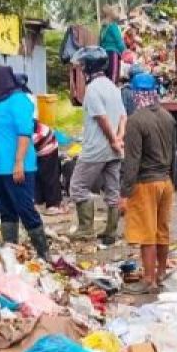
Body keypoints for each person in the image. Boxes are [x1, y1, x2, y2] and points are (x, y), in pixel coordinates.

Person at [0, 65, 49, 260]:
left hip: (17, 168)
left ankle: (44, 255)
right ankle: (12, 255)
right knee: (6, 212)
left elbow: (24, 133)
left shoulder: (19, 100)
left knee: (25, 210)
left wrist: (18, 162)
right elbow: (2, 131)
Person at [120, 72, 176, 293]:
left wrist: (125, 193)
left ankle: (149, 280)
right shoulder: (167, 116)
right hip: (165, 182)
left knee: (147, 233)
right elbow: (172, 152)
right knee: (162, 230)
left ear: (136, 94)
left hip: (145, 183)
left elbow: (131, 161)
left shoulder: (135, 121)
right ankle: (161, 274)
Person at [70, 47, 127, 244]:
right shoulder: (112, 87)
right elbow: (122, 116)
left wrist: (112, 139)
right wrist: (119, 139)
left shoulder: (93, 89)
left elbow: (102, 118)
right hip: (114, 150)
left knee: (77, 187)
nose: (82, 69)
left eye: (84, 65)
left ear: (90, 67)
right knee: (112, 189)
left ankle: (86, 229)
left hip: (96, 148)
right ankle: (111, 231)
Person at [99, 5, 125, 83]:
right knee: (113, 75)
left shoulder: (103, 28)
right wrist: (124, 51)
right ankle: (112, 93)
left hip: (104, 54)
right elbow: (119, 41)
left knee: (106, 76)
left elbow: (100, 43)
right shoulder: (113, 26)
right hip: (113, 53)